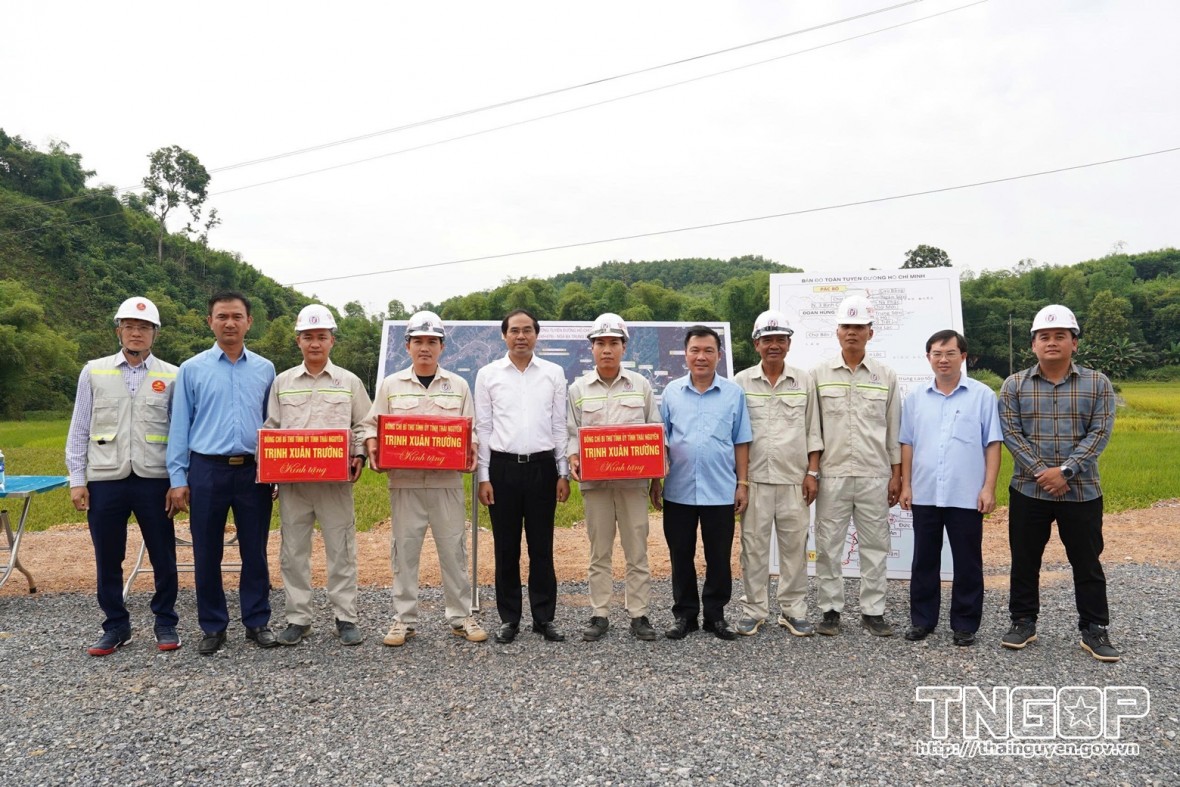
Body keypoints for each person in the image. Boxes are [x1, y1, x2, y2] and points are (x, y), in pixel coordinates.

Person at [999, 304, 1119, 662]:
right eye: (1044, 337)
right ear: (1033, 344)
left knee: (1087, 561)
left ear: (1074, 343)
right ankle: (1023, 621)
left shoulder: (1097, 383)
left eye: (1059, 336)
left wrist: (1065, 471)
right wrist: (1043, 472)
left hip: (1081, 491)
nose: (1051, 342)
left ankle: (1094, 628)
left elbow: (1100, 433)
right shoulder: (1014, 385)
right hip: (1028, 489)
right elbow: (1011, 433)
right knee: (1024, 559)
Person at [362, 310, 487, 647]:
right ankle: (403, 619)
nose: (425, 348)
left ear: (442, 347)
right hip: (404, 483)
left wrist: (471, 451)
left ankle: (461, 617)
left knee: (453, 551)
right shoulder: (391, 385)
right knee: (404, 551)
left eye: (432, 341)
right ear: (407, 346)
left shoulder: (458, 385)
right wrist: (372, 446)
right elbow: (373, 425)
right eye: (418, 341)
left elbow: (470, 430)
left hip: (446, 483)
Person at [65, 297, 181, 656]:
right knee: (108, 556)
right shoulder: (94, 371)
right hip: (105, 478)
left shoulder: (173, 375)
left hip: (154, 478)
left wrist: (178, 481)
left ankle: (165, 621)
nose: (136, 333)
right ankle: (115, 625)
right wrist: (77, 478)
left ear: (154, 334)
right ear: (119, 330)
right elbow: (80, 426)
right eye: (129, 326)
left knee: (163, 554)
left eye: (144, 327)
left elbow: (180, 432)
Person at [166, 291, 277, 655]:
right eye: (222, 316)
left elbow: (272, 425)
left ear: (249, 321)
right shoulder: (192, 369)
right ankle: (212, 626)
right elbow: (180, 426)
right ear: (209, 321)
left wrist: (275, 469)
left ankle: (257, 621)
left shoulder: (265, 369)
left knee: (255, 550)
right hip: (207, 470)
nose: (229, 323)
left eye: (236, 316)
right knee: (207, 551)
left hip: (252, 472)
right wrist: (178, 479)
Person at [264, 305, 371, 647]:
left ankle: (345, 616)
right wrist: (270, 469)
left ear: (332, 341)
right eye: (308, 337)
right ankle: (298, 618)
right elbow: (272, 428)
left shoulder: (349, 382)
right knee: (293, 550)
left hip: (335, 483)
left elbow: (363, 424)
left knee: (341, 548)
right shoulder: (282, 382)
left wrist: (358, 454)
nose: (314, 343)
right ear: (298, 341)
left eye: (321, 337)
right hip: (294, 484)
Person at [899, 329, 1001, 647]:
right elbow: (907, 444)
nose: (943, 360)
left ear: (963, 357)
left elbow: (993, 444)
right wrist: (906, 485)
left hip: (966, 494)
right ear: (928, 357)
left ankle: (965, 624)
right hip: (926, 492)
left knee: (967, 560)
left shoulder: (982, 396)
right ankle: (923, 620)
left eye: (950, 353)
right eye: (937, 353)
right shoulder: (915, 398)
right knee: (924, 559)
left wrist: (988, 488)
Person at [475, 309, 570, 643]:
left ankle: (544, 618)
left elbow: (559, 425)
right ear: (504, 336)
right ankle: (509, 618)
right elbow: (483, 427)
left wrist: (563, 472)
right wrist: (483, 477)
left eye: (527, 330)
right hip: (502, 469)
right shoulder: (488, 375)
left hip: (543, 468)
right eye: (514, 330)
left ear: (536, 335)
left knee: (542, 547)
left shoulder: (554, 373)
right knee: (506, 547)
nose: (520, 336)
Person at [566, 313, 661, 642]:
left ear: (624, 347)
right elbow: (569, 434)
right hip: (596, 486)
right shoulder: (578, 389)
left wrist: (657, 479)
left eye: (613, 343)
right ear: (591, 348)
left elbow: (655, 432)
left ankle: (639, 614)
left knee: (637, 550)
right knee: (599, 550)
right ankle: (600, 613)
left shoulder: (641, 386)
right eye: (600, 343)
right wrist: (573, 457)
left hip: (634, 485)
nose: (607, 349)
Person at [811, 294, 901, 637]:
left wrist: (896, 475)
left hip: (874, 475)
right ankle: (830, 610)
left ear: (870, 332)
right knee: (829, 546)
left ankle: (872, 611)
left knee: (875, 545)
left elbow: (893, 429)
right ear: (837, 332)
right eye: (846, 326)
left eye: (859, 327)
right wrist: (813, 472)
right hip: (832, 474)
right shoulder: (819, 375)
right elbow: (813, 429)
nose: (852, 332)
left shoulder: (885, 376)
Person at [659, 325, 752, 641]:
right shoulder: (671, 393)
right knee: (680, 555)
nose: (701, 357)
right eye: (695, 350)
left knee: (719, 557)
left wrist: (743, 483)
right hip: (678, 490)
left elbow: (741, 441)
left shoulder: (733, 393)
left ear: (719, 355)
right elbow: (661, 443)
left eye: (708, 350)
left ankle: (715, 616)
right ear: (685, 355)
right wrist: (656, 482)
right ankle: (684, 616)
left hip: (720, 490)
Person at [732, 310, 822, 637]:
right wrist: (739, 481)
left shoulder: (804, 381)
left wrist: (812, 472)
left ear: (789, 343)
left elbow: (814, 429)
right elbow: (735, 435)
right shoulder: (740, 382)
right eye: (767, 339)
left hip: (794, 480)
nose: (774, 345)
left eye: (780, 339)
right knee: (753, 548)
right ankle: (754, 610)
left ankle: (793, 610)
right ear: (756, 344)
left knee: (794, 548)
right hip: (754, 480)